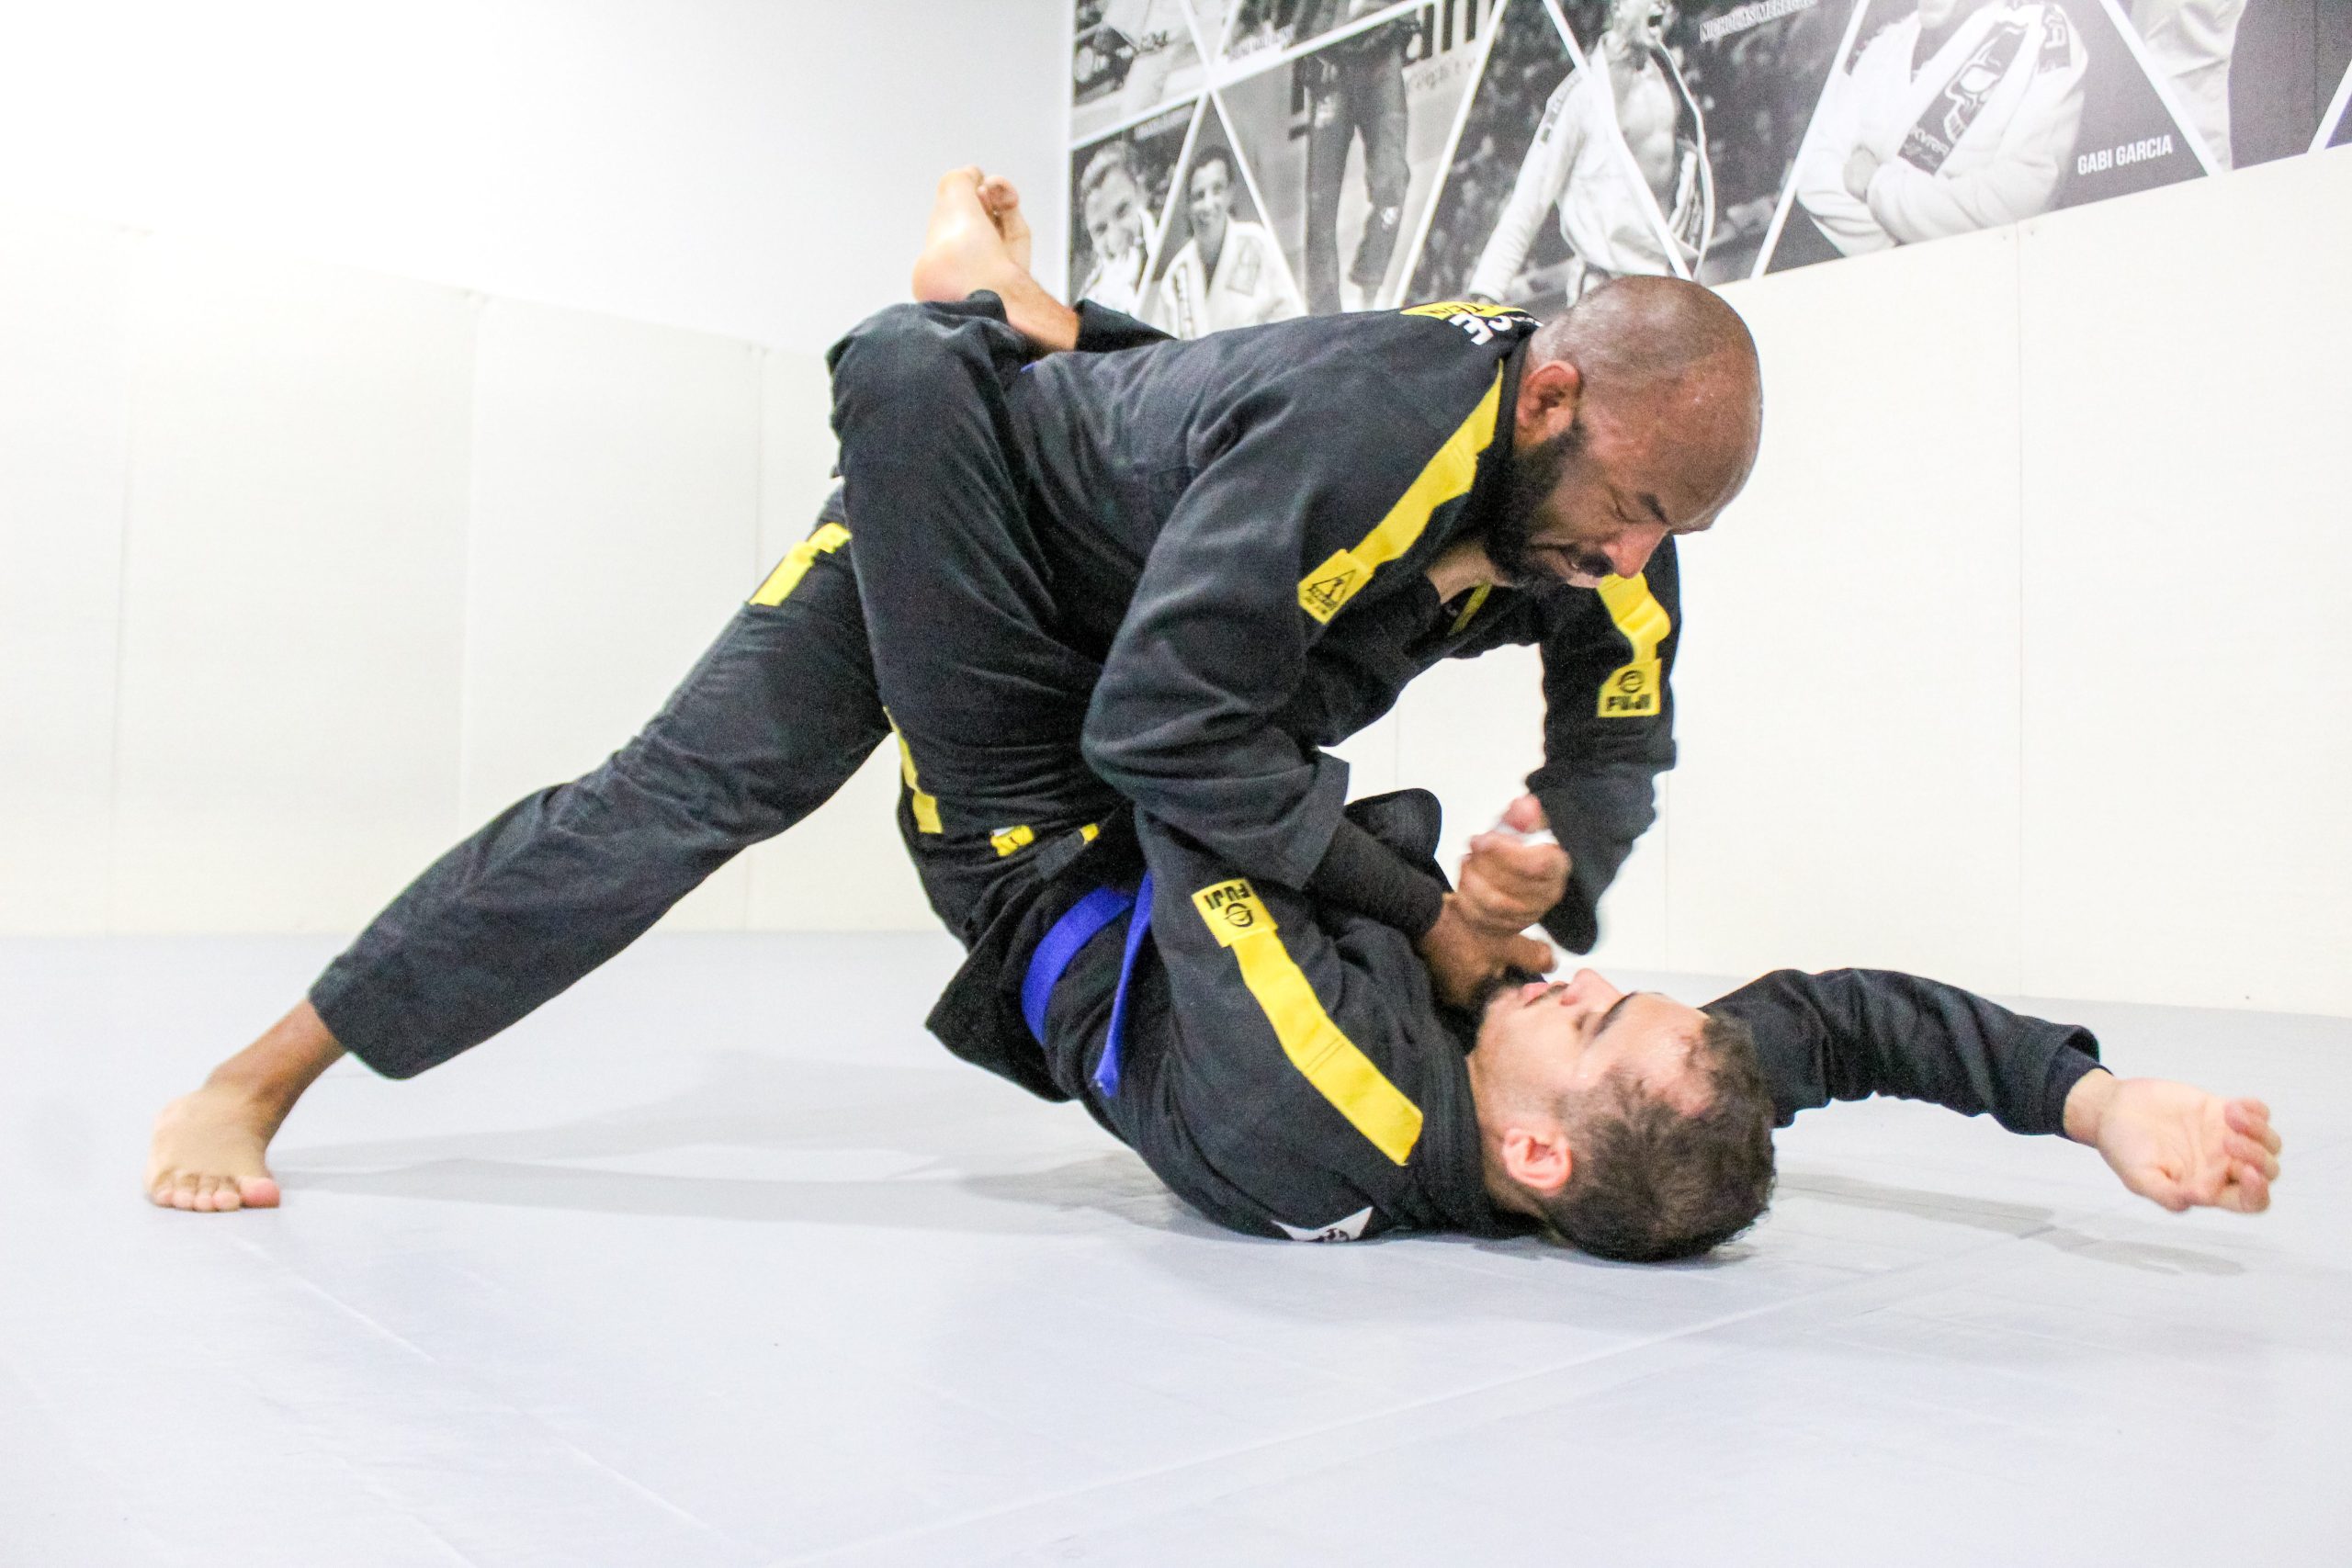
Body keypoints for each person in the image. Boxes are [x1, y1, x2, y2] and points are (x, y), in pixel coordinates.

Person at [144, 414, 2282, 1256]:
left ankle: (265, 1062)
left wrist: (1447, 918)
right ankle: (1006, 400)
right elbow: (1845, 1016)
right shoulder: (1647, 1096)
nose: (1602, 983)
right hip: (1169, 735)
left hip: (1045, 801)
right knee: (1312, 564)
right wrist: (2091, 1093)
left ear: (1527, 1146)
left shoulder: (1332, 1107)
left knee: (689, 788)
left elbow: (1185, 764)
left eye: (1589, 1017)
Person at [150, 167, 1751, 1226]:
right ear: (1548, 397)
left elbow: (1622, 729)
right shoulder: (1375, 442)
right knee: (693, 792)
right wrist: (1424, 912)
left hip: (1158, 577)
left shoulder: (1605, 528)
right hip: (976, 523)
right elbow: (1162, 737)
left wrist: (1570, 855)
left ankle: (1021, 313)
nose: (1631, 557)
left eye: (1669, 533)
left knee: (1239, 676)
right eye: (1631, 509)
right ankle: (261, 1074)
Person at [1793, 0, 2088, 256]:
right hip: (1879, 290)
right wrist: (1923, 236)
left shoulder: (2042, 32)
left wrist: (1877, 185)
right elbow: (1814, 174)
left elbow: (2020, 199)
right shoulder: (1883, 42)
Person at [1469, 0, 1714, 303]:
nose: (1662, 3)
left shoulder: (1669, 76)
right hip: (1607, 292)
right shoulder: (1580, 96)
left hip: (1672, 278)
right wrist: (1486, 293)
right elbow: (1529, 199)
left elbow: (1689, 173)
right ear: (1618, 8)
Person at [1298, 2, 1413, 312]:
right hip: (1330, 64)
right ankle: (1324, 314)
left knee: (1392, 184)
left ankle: (1370, 284)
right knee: (1321, 201)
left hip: (1380, 55)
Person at [1151, 146, 1307, 336]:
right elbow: (1163, 351)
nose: (1208, 205)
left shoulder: (1255, 244)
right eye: (1199, 196)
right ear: (1188, 206)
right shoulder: (1177, 274)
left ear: (1230, 193)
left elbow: (1291, 319)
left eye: (1217, 190)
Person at [1074, 140, 1153, 316]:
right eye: (1100, 229)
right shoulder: (1089, 300)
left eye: (1122, 211)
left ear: (1141, 192)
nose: (1115, 238)